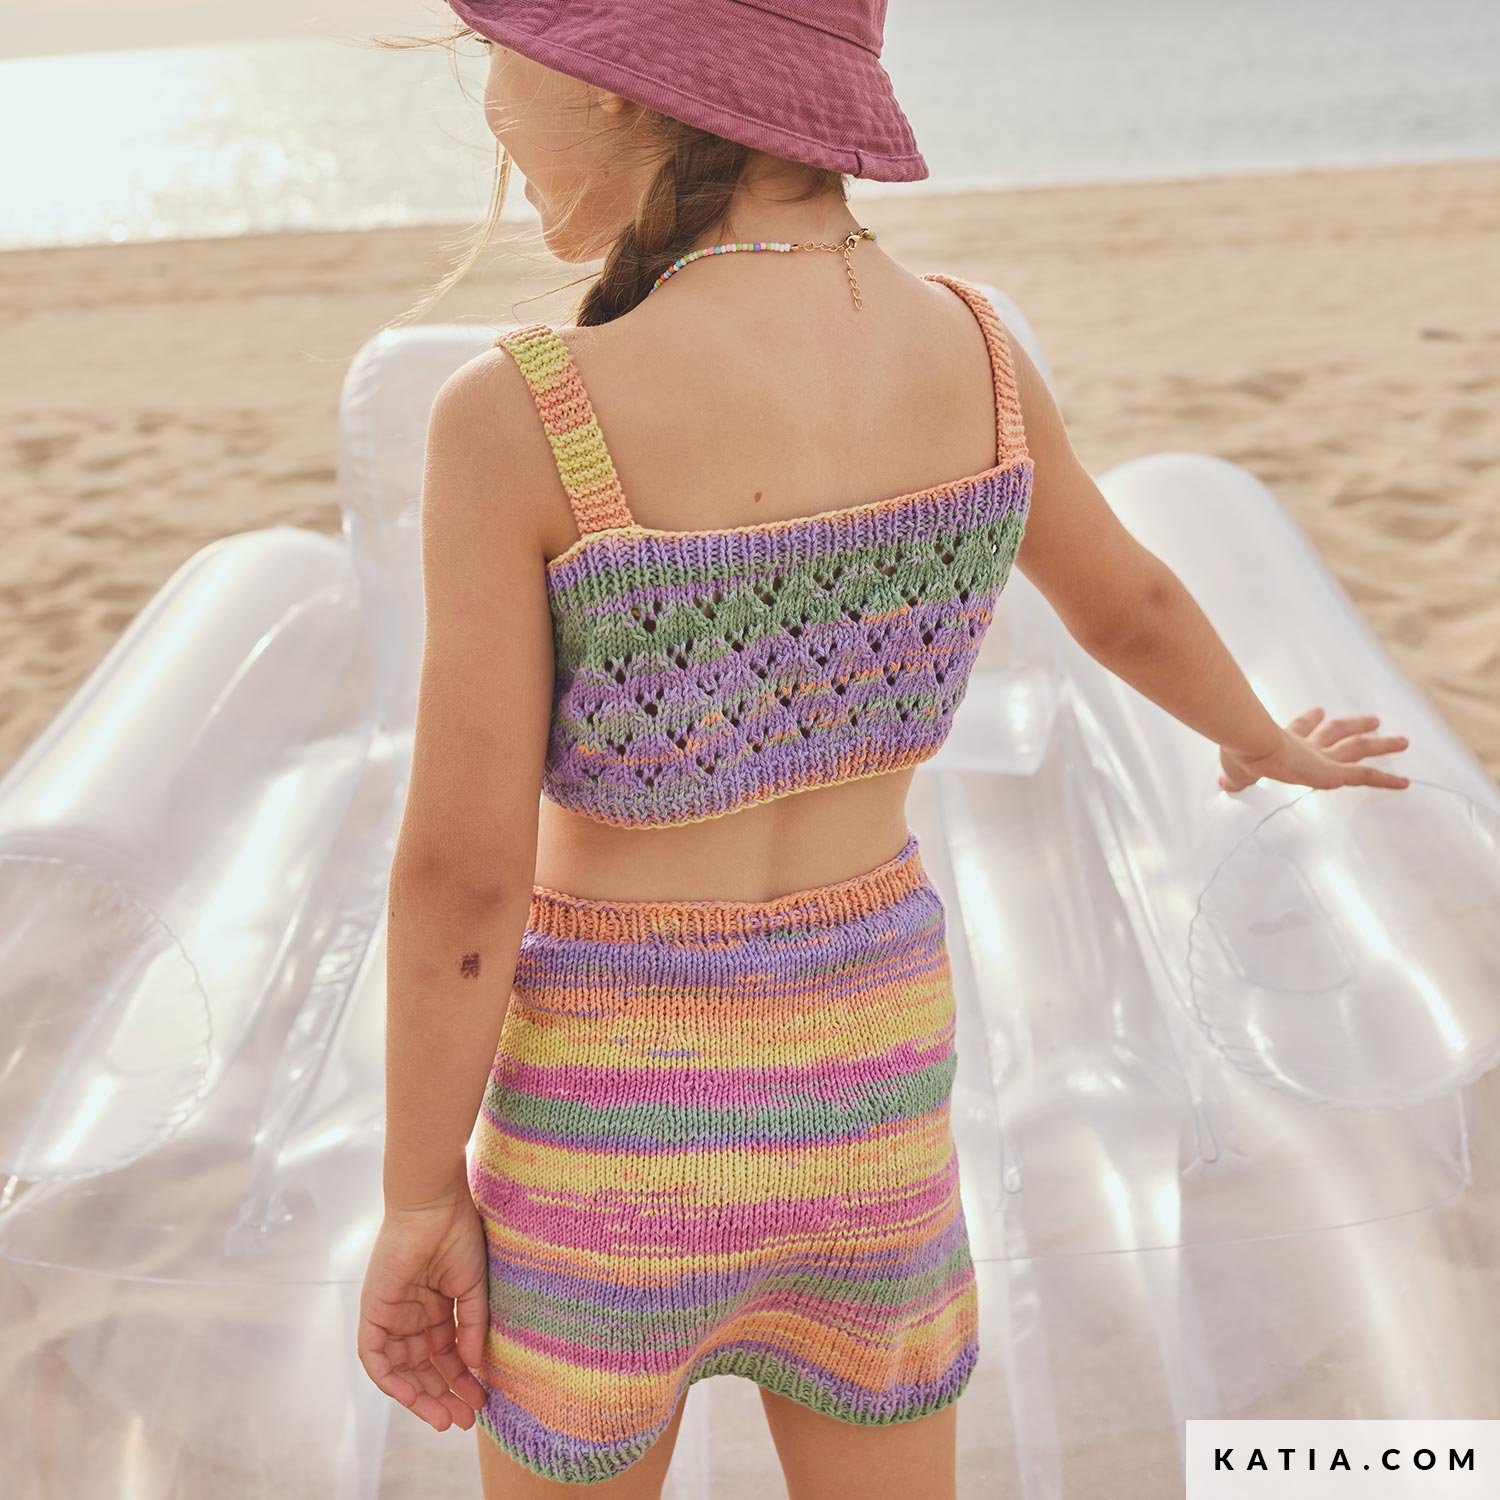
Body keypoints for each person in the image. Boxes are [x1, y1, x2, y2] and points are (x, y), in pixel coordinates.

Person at [356, 3, 1412, 1496]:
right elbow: (1132, 604)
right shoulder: (977, 351)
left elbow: (464, 879)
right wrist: (1257, 739)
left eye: (506, 70)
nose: (494, 119)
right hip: (875, 1083)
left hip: (612, 1122)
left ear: (630, 89)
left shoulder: (527, 412)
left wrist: (417, 1199)